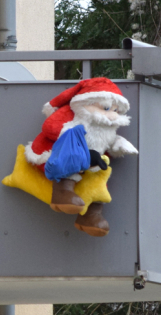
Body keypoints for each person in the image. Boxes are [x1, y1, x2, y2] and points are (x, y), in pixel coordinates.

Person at [24, 78, 137, 236]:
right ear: (87, 101)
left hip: (91, 163)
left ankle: (91, 215)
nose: (112, 115)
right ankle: (62, 194)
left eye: (116, 110)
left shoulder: (106, 127)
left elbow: (107, 142)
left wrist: (118, 144)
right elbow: (50, 127)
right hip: (56, 155)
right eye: (105, 108)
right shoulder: (75, 115)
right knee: (71, 162)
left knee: (99, 183)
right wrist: (78, 146)